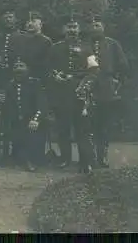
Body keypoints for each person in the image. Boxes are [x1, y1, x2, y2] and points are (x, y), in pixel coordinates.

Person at [46, 19, 93, 169]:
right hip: (61, 93)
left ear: (79, 29)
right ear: (63, 28)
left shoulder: (87, 48)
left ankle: (85, 161)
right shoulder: (55, 47)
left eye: (75, 27)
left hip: (79, 92)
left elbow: (93, 70)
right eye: (69, 26)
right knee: (63, 127)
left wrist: (84, 85)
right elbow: (48, 68)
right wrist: (55, 76)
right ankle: (65, 159)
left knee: (82, 128)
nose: (72, 30)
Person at [84, 19, 129, 168]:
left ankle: (102, 156)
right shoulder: (84, 44)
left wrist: (117, 82)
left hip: (107, 88)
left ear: (104, 28)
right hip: (87, 86)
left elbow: (123, 65)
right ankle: (90, 158)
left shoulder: (113, 44)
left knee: (104, 124)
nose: (95, 28)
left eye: (98, 25)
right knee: (89, 125)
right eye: (92, 26)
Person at [3, 60, 47, 171]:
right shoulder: (9, 85)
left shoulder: (35, 84)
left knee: (31, 135)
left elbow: (42, 104)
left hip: (32, 120)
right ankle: (17, 159)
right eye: (16, 66)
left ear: (28, 70)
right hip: (16, 121)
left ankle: (31, 161)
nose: (18, 68)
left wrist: (36, 119)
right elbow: (6, 104)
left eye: (21, 66)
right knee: (16, 134)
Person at [75, 54, 101, 174]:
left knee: (85, 136)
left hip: (88, 109)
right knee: (87, 136)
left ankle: (87, 163)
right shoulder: (91, 78)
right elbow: (82, 92)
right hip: (89, 110)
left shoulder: (89, 79)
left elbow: (81, 92)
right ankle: (88, 163)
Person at [20, 12, 53, 80]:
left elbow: (46, 64)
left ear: (40, 24)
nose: (30, 24)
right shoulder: (19, 39)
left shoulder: (46, 41)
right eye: (28, 22)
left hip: (37, 78)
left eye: (33, 21)